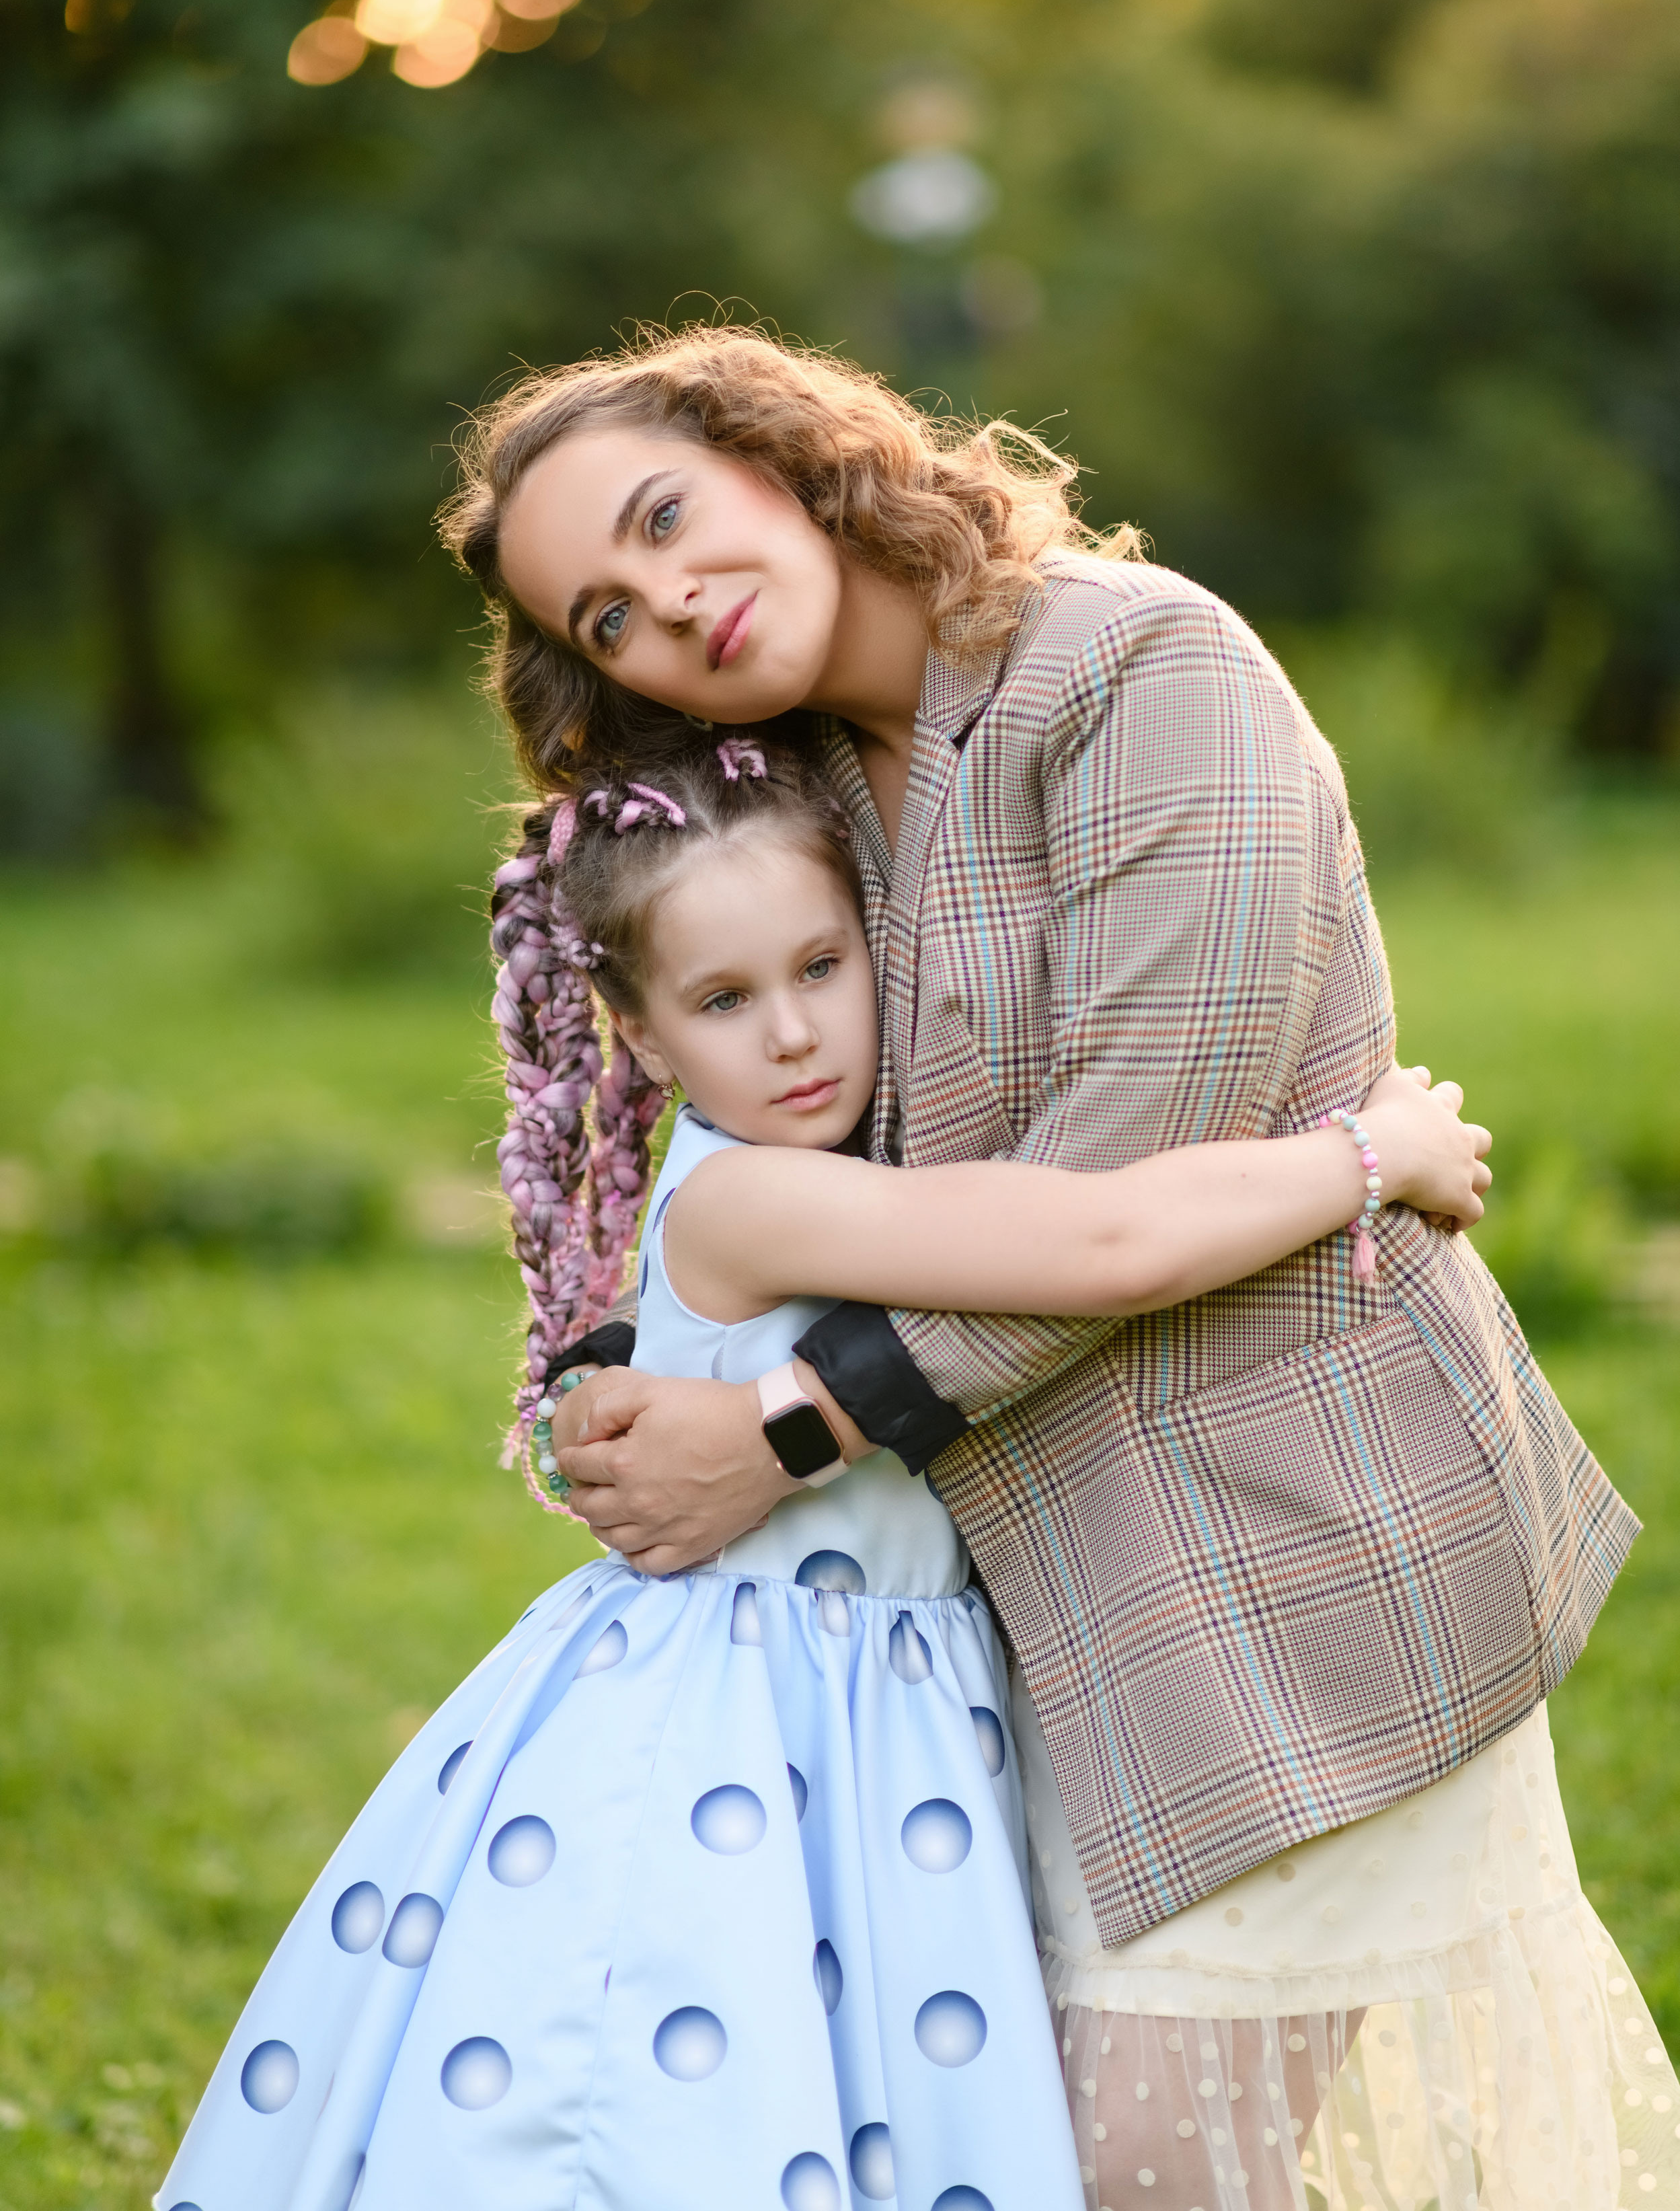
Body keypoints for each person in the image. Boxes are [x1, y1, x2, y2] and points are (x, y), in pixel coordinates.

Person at [439, 323, 1679, 2211]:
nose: (667, 602)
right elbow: (778, 1148)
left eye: (667, 517)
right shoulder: (816, 801)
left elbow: (1118, 1205)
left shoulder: (1136, 670)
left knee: (1147, 2175)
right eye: (603, 616)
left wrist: (772, 1430)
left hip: (1295, 1549)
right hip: (1026, 1620)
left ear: (779, 447)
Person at [155, 739, 1489, 2211]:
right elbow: (1097, 1248)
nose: (793, 1034)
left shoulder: (815, 1171)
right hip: (753, 1722)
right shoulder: (752, 1198)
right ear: (644, 1033)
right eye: (725, 1000)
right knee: (696, 2094)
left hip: (884, 1708)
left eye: (820, 966)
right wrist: (1373, 1151)